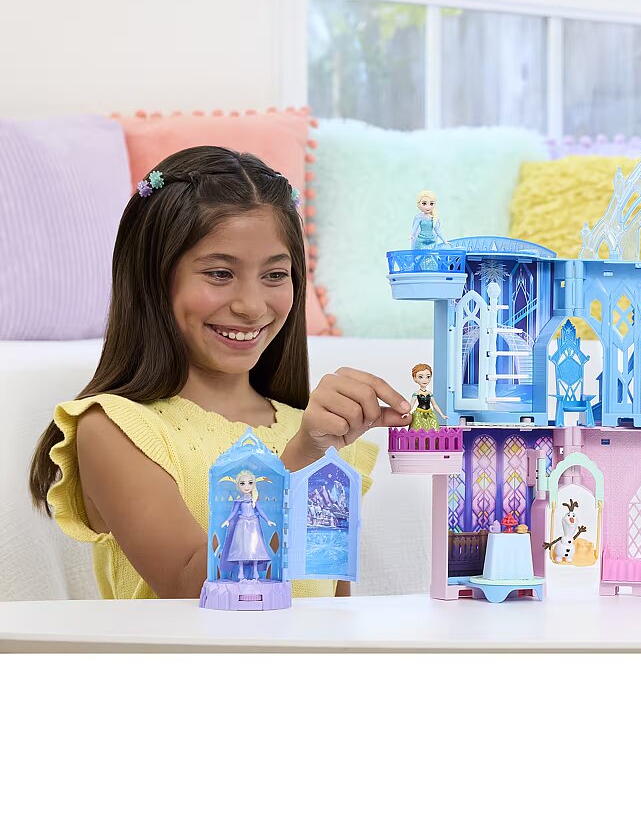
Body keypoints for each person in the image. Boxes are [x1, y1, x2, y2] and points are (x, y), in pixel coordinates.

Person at [28, 146, 412, 600]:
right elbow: (192, 588)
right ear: (153, 280)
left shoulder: (314, 435)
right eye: (219, 274)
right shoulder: (115, 429)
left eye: (275, 275)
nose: (251, 306)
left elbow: (330, 605)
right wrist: (301, 459)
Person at [410, 363, 448, 431]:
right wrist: (407, 413)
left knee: (433, 428)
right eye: (420, 377)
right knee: (419, 429)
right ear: (414, 378)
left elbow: (435, 405)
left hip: (429, 414)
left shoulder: (429, 393)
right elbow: (411, 405)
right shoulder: (416, 393)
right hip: (419, 414)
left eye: (428, 377)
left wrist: (442, 415)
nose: (425, 380)